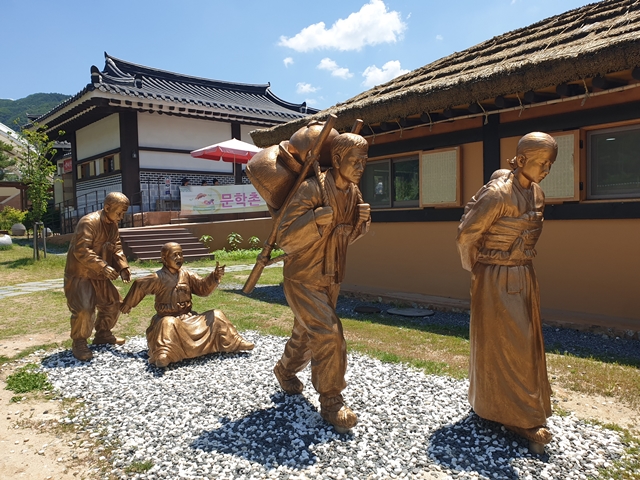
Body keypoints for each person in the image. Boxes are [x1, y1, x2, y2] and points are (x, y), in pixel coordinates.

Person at [456, 132, 558, 448]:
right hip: (495, 275)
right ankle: (520, 416)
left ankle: (507, 407)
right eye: (541, 162)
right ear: (522, 159)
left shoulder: (537, 194)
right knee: (505, 342)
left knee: (525, 343)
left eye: (550, 164)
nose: (545, 169)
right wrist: (481, 269)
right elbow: (465, 235)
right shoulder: (498, 194)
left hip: (524, 272)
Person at [273, 132, 371, 432]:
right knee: (328, 333)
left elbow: (344, 237)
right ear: (338, 159)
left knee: (305, 331)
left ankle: (285, 370)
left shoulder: (352, 193)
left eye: (364, 161)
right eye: (355, 161)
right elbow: (284, 238)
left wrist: (360, 223)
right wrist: (315, 218)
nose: (360, 167)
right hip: (303, 277)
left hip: (331, 275)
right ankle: (331, 400)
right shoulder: (311, 189)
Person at [120, 242, 254, 368]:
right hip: (168, 318)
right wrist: (128, 304)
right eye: (175, 255)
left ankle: (234, 342)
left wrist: (214, 276)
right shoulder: (158, 277)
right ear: (165, 258)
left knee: (217, 315)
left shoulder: (187, 274)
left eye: (180, 254)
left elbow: (202, 287)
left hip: (189, 319)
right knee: (168, 323)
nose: (179, 257)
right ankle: (164, 353)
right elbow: (139, 284)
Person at [64, 192, 132, 361]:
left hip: (100, 275)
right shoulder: (89, 222)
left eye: (123, 213)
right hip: (81, 275)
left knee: (114, 303)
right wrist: (103, 266)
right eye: (119, 213)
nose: (121, 217)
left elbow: (116, 247)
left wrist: (123, 267)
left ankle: (103, 334)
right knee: (84, 310)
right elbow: (82, 250)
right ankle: (79, 342)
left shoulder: (113, 225)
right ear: (107, 207)